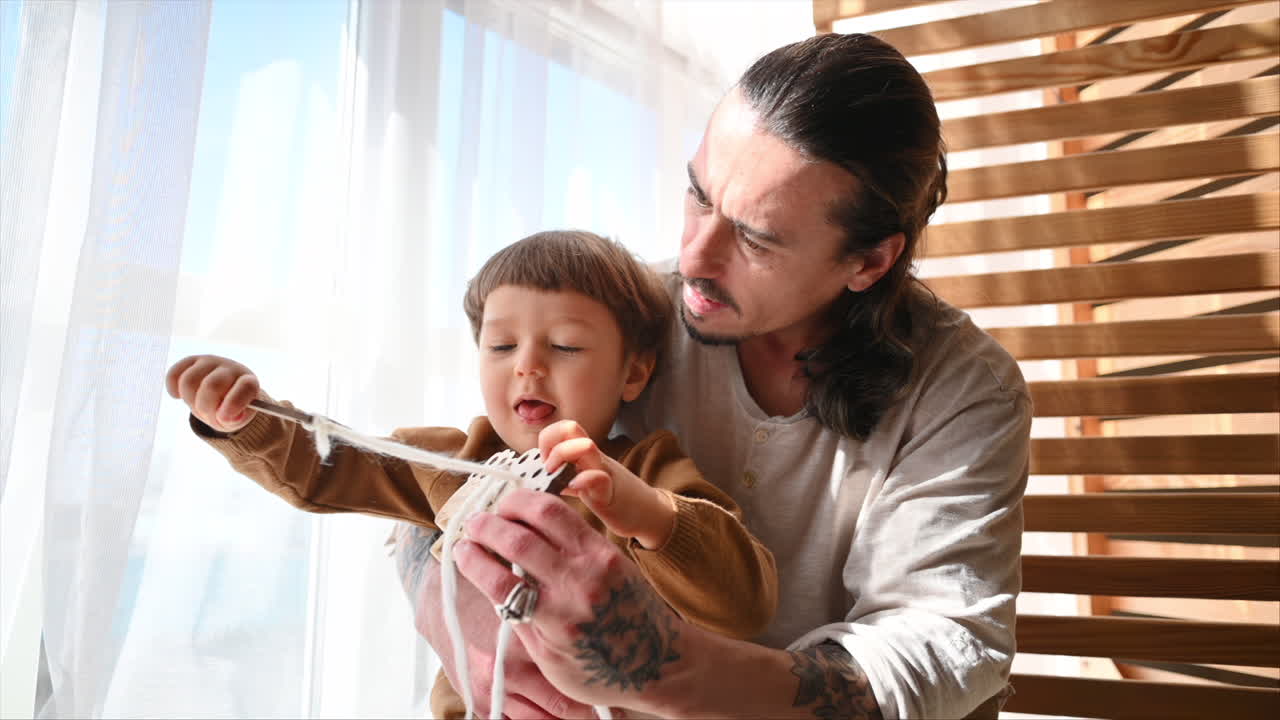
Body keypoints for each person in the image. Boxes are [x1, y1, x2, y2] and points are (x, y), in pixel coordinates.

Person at [399, 32, 1031, 720]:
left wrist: (661, 671)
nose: (694, 258)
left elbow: (942, 646)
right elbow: (449, 469)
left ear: (869, 262)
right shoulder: (626, 316)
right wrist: (449, 603)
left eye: (756, 238)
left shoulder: (964, 389)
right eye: (698, 197)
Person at [164, 230, 779, 720]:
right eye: (502, 346)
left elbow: (745, 601)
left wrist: (639, 507)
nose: (528, 368)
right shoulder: (453, 463)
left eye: (565, 346)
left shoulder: (648, 468)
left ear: (634, 375)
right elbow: (327, 465)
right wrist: (246, 419)